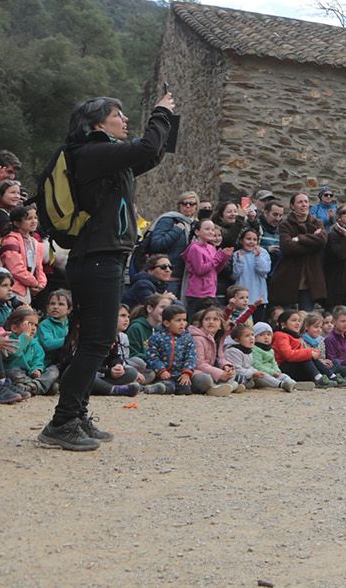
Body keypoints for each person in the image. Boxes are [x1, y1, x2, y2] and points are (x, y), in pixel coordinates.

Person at [40, 92, 175, 452]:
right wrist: (161, 112)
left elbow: (152, 153)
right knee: (97, 342)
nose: (125, 119)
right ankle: (62, 421)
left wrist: (167, 122)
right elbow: (145, 148)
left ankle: (76, 413)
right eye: (119, 114)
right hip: (98, 257)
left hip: (101, 256)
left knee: (97, 342)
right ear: (98, 124)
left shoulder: (106, 161)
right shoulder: (93, 152)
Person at [272, 192, 327, 311]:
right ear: (292, 206)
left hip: (310, 281)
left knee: (307, 319)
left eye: (306, 202)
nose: (304, 205)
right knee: (288, 318)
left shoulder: (317, 223)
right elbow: (287, 247)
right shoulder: (285, 225)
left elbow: (322, 241)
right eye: (300, 202)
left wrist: (299, 239)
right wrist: (312, 241)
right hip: (289, 278)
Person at [182, 219, 233, 315]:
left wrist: (224, 258)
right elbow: (200, 270)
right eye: (207, 229)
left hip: (210, 291)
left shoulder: (211, 247)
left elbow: (215, 270)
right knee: (196, 320)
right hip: (197, 293)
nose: (211, 232)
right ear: (197, 232)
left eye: (212, 230)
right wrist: (218, 257)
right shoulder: (194, 247)